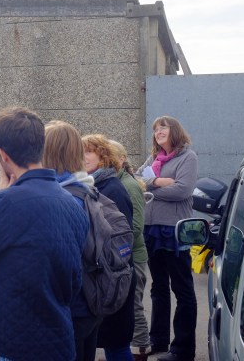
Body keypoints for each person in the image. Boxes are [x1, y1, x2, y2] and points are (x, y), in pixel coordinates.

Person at [0, 109, 88, 361]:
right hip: (59, 343)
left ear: (3, 155)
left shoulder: (8, 201)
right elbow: (73, 283)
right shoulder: (72, 202)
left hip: (11, 346)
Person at [136, 116, 198, 361]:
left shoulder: (187, 157)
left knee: (182, 290)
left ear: (175, 131)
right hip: (151, 230)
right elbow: (138, 180)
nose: (158, 131)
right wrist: (158, 181)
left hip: (174, 231)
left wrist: (150, 190)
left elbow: (182, 189)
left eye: (163, 127)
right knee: (158, 287)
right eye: (155, 129)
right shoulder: (153, 159)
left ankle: (183, 349)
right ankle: (158, 340)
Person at [43, 120, 98, 361]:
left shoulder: (60, 197)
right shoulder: (86, 187)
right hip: (90, 303)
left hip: (70, 309)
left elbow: (59, 266)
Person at [82, 134, 136, 361]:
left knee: (117, 346)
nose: (83, 157)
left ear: (102, 156)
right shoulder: (96, 184)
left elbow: (120, 238)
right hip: (106, 278)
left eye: (89, 151)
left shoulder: (111, 188)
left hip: (113, 278)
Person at [108, 139, 150, 360]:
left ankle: (141, 348)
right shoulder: (118, 182)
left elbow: (135, 227)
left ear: (122, 159)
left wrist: (113, 244)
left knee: (133, 304)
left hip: (133, 256)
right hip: (125, 256)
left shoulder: (129, 186)